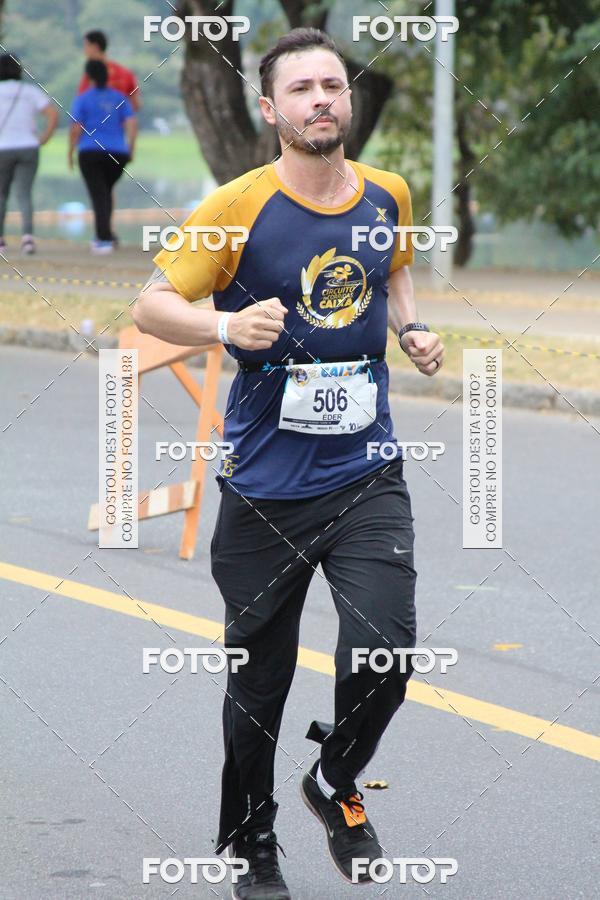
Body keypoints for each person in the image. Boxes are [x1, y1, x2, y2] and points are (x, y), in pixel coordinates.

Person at [134, 28, 444, 900]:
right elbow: (151, 305)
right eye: (301, 89)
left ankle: (335, 780)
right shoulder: (236, 206)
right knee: (259, 689)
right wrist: (226, 326)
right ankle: (251, 840)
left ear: (348, 99)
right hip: (267, 489)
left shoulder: (388, 191)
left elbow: (392, 273)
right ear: (270, 110)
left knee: (385, 649)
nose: (321, 100)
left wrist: (410, 329)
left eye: (333, 85)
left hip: (366, 472)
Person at [69, 59, 136, 254]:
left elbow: (76, 128)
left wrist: (70, 151)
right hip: (117, 152)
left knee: (99, 195)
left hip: (90, 151)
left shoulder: (83, 98)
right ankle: (106, 234)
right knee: (105, 193)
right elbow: (131, 124)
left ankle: (103, 239)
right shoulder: (120, 98)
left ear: (88, 77)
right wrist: (130, 148)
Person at [0, 53, 58, 254]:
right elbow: (52, 114)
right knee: (24, 193)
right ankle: (27, 239)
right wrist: (43, 139)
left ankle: (1, 241)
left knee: (1, 194)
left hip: (2, 148)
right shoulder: (30, 91)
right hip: (28, 147)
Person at [77, 30, 142, 112]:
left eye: (86, 46)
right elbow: (136, 104)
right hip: (120, 124)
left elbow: (81, 106)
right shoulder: (125, 73)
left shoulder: (91, 76)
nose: (84, 51)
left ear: (95, 47)